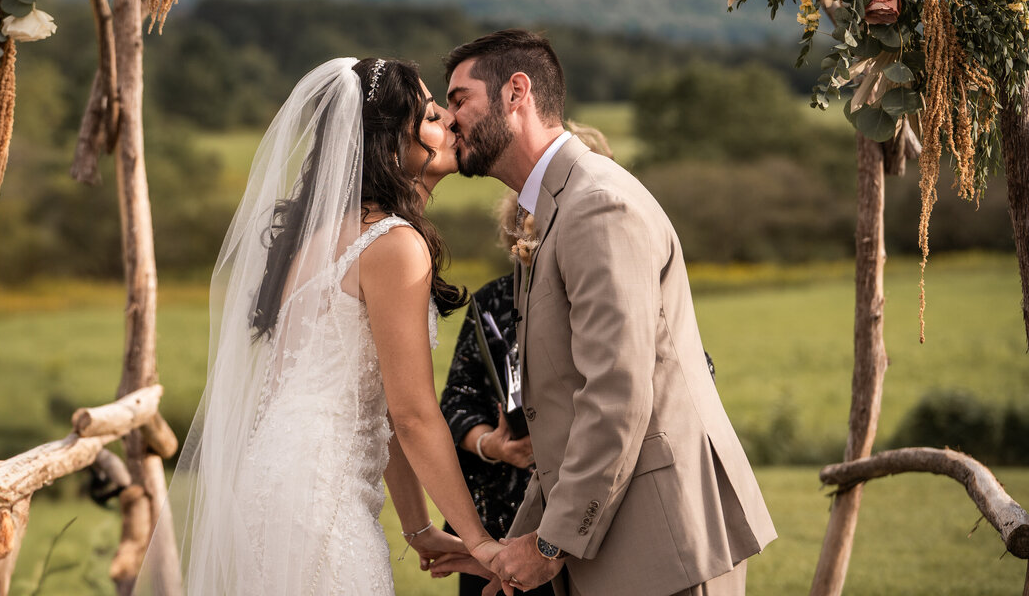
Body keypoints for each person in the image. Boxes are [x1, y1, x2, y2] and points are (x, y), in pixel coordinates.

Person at [137, 57, 505, 595]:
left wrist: (421, 529)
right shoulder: (394, 244)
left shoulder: (317, 239)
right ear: (387, 143)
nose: (450, 122)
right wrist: (479, 540)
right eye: (430, 117)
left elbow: (379, 410)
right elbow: (413, 415)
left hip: (272, 479)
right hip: (317, 498)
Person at [443, 31, 777, 596]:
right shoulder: (551, 210)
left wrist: (552, 544)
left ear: (515, 93)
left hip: (663, 542)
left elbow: (617, 391)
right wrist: (507, 548)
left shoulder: (596, 205)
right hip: (623, 542)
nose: (450, 121)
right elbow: (562, 413)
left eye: (459, 99)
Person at [435, 124, 617, 596]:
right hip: (504, 513)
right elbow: (455, 402)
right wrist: (496, 446)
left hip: (600, 511)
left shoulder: (620, 284)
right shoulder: (494, 301)